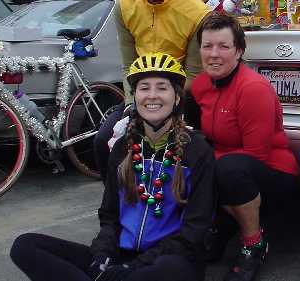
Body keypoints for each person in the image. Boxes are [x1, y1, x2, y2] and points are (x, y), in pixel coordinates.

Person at [11, 53, 215, 281]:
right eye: (144, 88)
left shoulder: (197, 150)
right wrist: (102, 256)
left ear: (176, 97)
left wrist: (134, 267)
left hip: (167, 260)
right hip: (121, 254)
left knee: (168, 271)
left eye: (162, 88)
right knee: (25, 246)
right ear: (135, 96)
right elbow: (110, 215)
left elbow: (194, 231)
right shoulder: (122, 148)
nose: (152, 96)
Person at [93, 0, 211, 181]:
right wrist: (132, 104)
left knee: (192, 150)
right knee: (103, 142)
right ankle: (116, 209)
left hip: (181, 96)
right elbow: (127, 65)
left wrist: (164, 103)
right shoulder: (124, 6)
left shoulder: (197, 13)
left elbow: (193, 74)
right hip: (139, 95)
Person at [187, 12, 300, 281]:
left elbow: (256, 155)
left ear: (238, 51)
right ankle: (221, 227)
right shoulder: (201, 84)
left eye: (223, 46)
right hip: (229, 166)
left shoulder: (253, 89)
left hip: (273, 172)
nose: (214, 54)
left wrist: (204, 163)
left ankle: (254, 243)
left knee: (226, 168)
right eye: (207, 46)